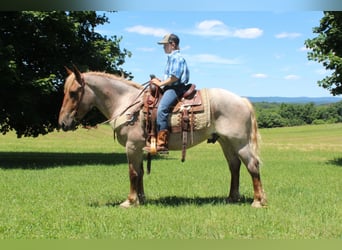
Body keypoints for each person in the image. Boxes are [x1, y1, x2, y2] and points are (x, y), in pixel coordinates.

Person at [145, 33, 190, 153]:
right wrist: (160, 81)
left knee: (162, 109)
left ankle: (162, 143)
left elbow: (174, 78)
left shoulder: (177, 57)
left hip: (176, 88)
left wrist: (160, 84)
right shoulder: (172, 58)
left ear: (173, 44)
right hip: (171, 87)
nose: (163, 47)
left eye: (165, 45)